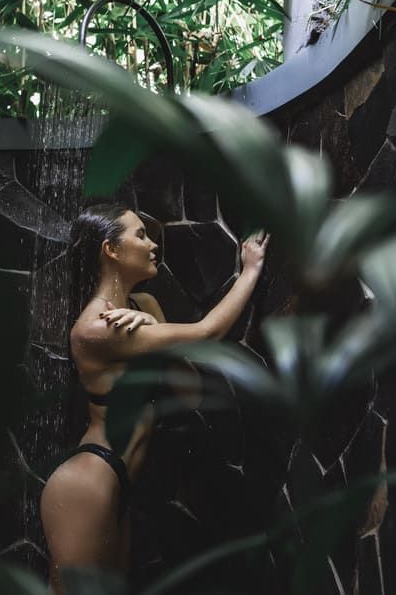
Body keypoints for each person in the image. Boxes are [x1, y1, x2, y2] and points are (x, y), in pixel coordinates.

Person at [39, 202, 269, 592]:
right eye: (140, 235)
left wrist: (151, 323)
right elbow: (207, 333)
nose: (152, 245)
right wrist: (250, 270)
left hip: (120, 483)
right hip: (86, 482)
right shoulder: (94, 328)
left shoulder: (143, 308)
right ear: (111, 250)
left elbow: (189, 391)